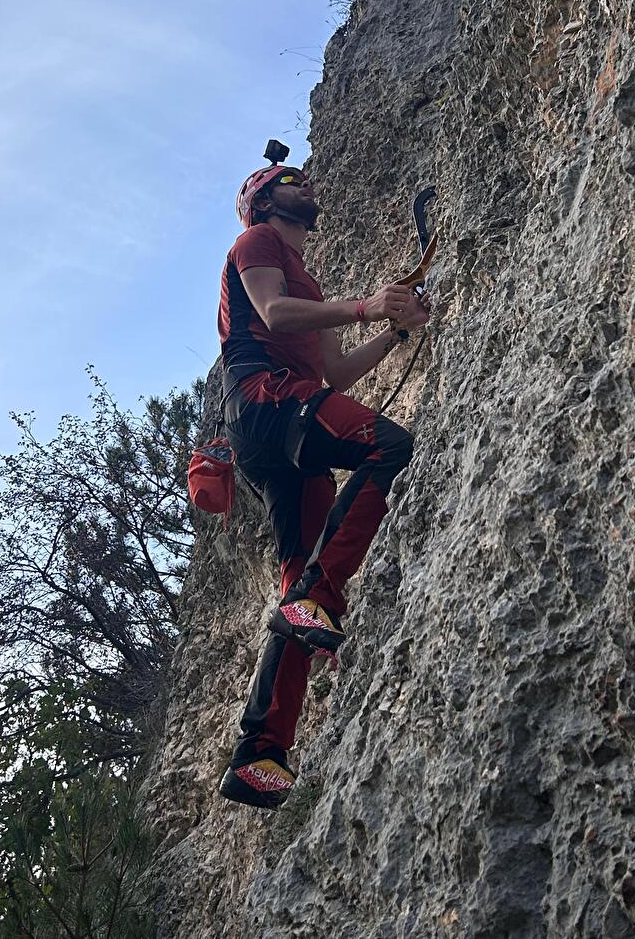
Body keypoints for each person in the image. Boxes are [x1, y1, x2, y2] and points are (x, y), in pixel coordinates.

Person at [216, 152, 429, 809]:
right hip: (263, 399)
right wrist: (366, 306)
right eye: (289, 182)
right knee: (386, 447)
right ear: (263, 202)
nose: (304, 185)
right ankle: (322, 594)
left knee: (296, 588)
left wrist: (392, 331)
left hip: (282, 422)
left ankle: (260, 752)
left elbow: (332, 375)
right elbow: (273, 315)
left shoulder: (307, 286)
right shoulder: (255, 242)